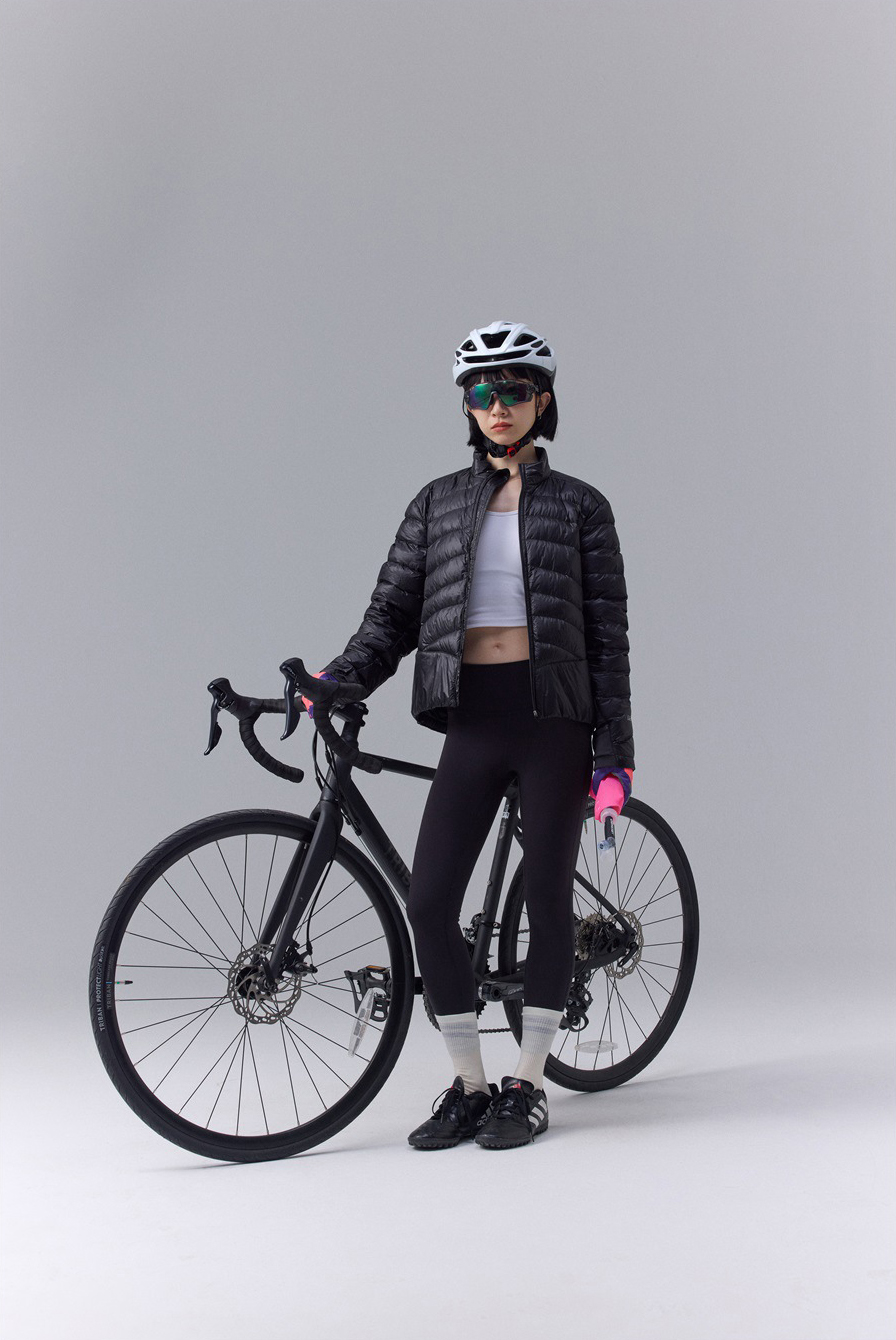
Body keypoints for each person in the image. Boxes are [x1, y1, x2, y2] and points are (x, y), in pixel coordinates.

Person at [309, 321, 634, 1150]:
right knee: (428, 904)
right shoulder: (437, 502)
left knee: (546, 901)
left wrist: (614, 757)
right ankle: (469, 1083)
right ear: (466, 404)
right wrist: (339, 679)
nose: (498, 406)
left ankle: (527, 1082)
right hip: (473, 717)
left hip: (553, 720)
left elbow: (608, 640)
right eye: (482, 392)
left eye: (514, 391)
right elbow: (390, 616)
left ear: (542, 401)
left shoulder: (581, 507)